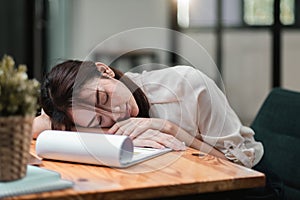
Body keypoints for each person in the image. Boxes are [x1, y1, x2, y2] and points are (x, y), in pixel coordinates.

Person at [33, 59, 263, 168]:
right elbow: (31, 129)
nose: (115, 113)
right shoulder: (88, 122)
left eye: (103, 98)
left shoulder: (189, 85)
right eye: (98, 120)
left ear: (105, 70)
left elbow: (239, 167)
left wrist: (170, 129)